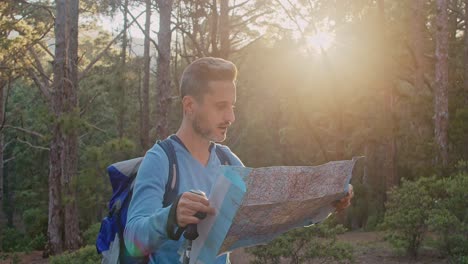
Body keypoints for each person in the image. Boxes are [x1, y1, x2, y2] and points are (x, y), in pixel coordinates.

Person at [124, 57, 354, 263]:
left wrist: (327, 202)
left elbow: (268, 216)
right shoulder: (161, 160)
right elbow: (132, 240)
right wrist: (171, 217)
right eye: (221, 106)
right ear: (190, 106)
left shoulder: (228, 161)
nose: (231, 117)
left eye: (232, 106)